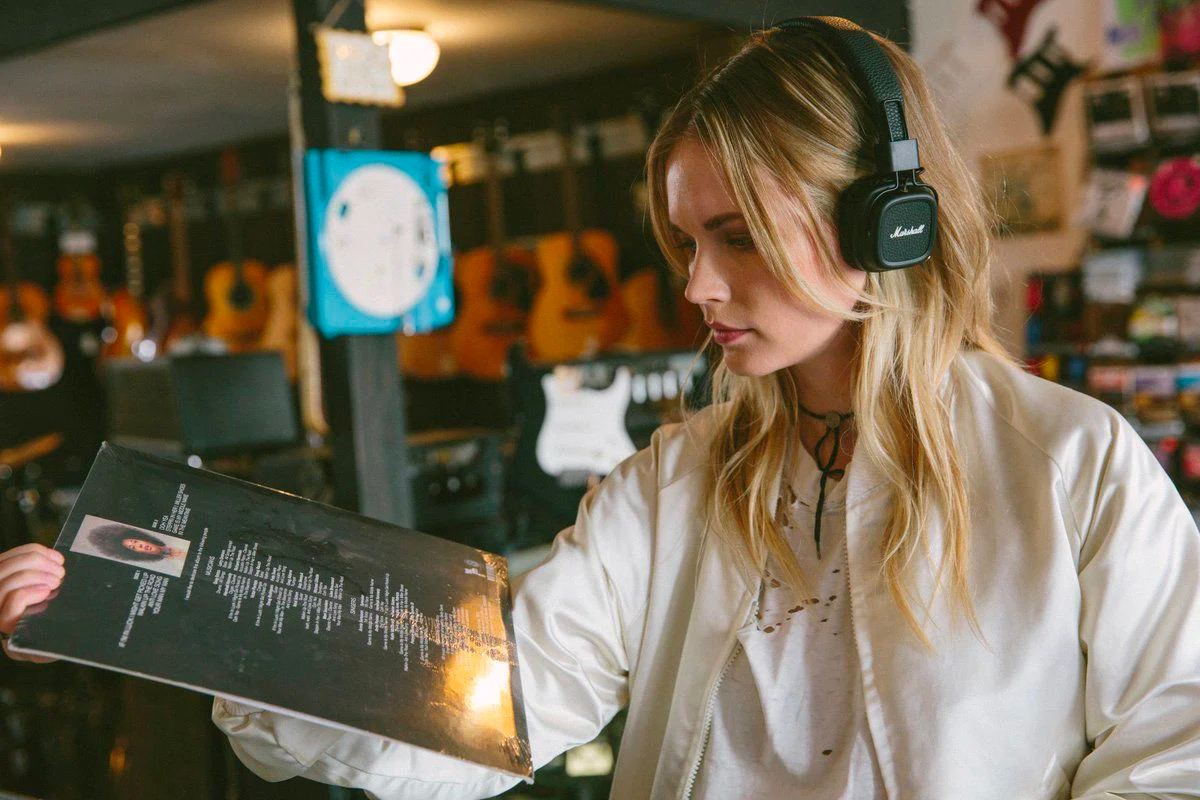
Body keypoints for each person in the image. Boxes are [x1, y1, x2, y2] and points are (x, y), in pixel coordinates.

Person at [4, 16, 1200, 798]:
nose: (696, 283)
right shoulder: (680, 480)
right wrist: (174, 608)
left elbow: (1174, 748)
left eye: (736, 235)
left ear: (883, 222)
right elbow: (495, 701)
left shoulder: (1073, 465)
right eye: (686, 239)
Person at [83, 523, 187, 564]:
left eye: (135, 541)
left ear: (142, 538)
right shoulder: (168, 563)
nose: (139, 545)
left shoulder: (175, 540)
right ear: (136, 553)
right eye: (133, 547)